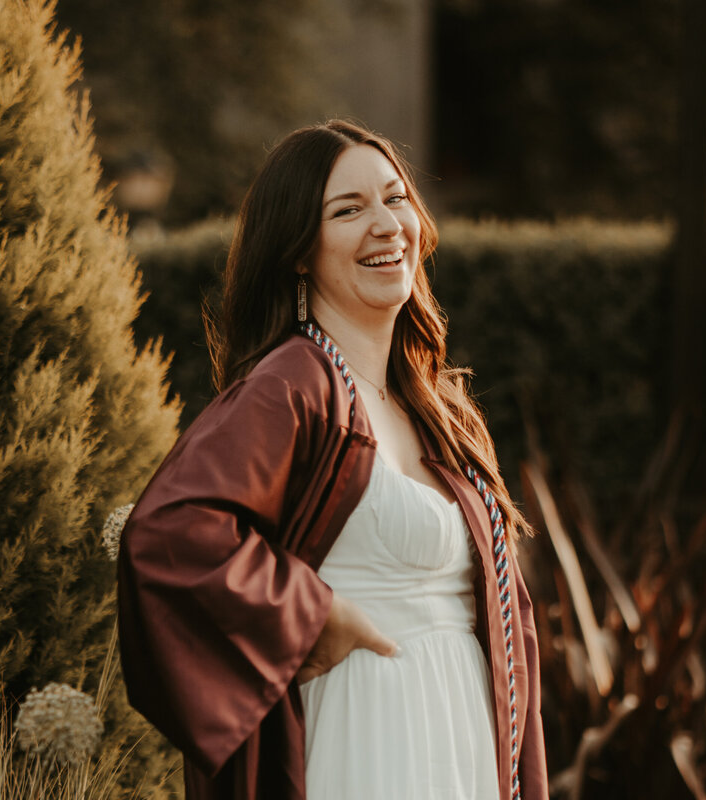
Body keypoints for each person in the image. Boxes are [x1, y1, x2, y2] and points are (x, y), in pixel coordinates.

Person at [117, 120, 548, 800]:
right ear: (298, 250)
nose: (386, 224)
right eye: (347, 210)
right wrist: (308, 614)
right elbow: (171, 533)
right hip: (362, 735)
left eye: (395, 198)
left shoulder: (439, 407)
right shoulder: (293, 385)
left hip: (459, 736)